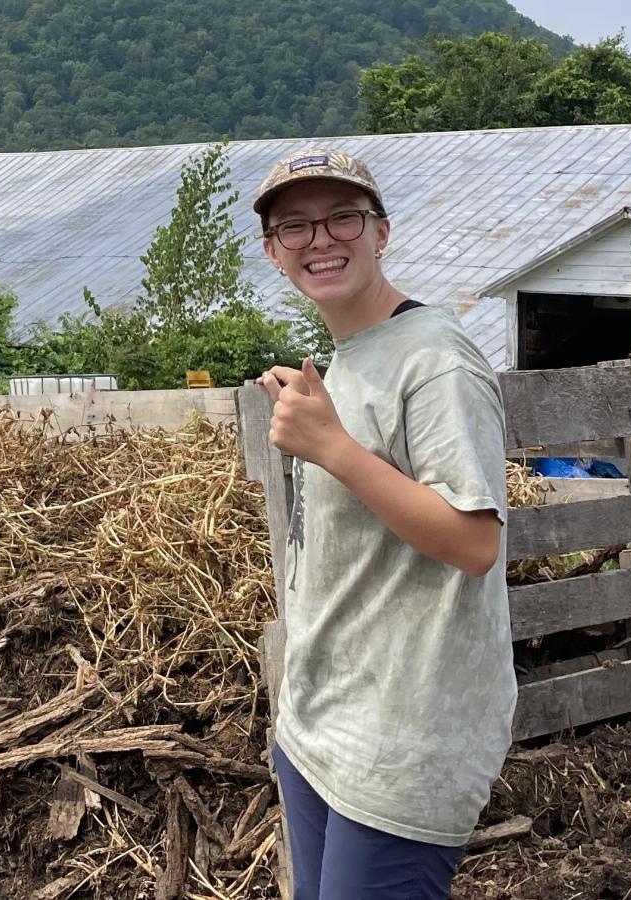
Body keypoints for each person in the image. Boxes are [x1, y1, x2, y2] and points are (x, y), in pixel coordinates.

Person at [251, 151, 516, 899]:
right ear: (273, 251)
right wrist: (322, 423)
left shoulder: (436, 359)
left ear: (381, 233)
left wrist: (331, 448)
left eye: (343, 217)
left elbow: (474, 543)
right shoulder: (349, 359)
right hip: (320, 722)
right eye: (294, 225)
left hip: (404, 734)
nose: (319, 238)